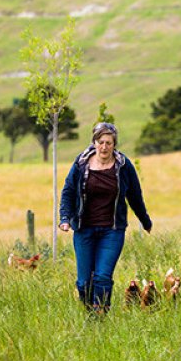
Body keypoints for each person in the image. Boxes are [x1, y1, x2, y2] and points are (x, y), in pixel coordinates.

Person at [59, 122, 152, 316]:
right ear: (94, 142)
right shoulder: (81, 163)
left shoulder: (124, 166)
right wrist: (65, 217)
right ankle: (90, 310)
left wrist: (145, 220)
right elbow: (68, 191)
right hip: (84, 229)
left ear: (114, 144)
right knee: (84, 282)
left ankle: (99, 316)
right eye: (100, 142)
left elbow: (134, 195)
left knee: (102, 277)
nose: (104, 147)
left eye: (109, 143)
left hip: (112, 230)